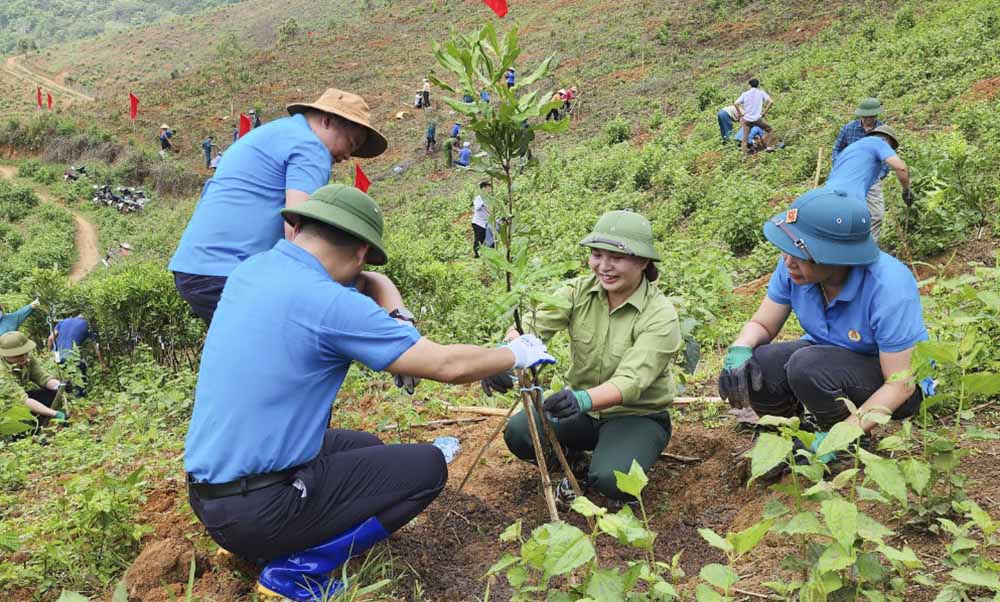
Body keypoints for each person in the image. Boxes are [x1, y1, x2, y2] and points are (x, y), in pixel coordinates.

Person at [183, 184, 555, 601]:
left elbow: (370, 282)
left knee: (364, 447)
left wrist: (393, 313)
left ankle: (254, 544)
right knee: (426, 468)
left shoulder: (254, 271)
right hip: (258, 510)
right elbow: (446, 366)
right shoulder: (329, 304)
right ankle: (293, 570)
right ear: (361, 251)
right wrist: (515, 353)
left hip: (208, 497)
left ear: (298, 227)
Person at [719, 190, 930, 466]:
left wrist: (840, 436)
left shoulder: (888, 286)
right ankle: (791, 437)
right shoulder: (793, 268)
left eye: (801, 254)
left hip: (895, 383)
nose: (788, 261)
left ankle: (845, 445)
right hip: (832, 359)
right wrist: (739, 348)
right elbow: (762, 324)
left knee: (807, 365)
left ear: (839, 257)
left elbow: (901, 384)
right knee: (760, 362)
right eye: (788, 249)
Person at [492, 210, 681, 504]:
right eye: (596, 255)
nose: (604, 266)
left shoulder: (660, 315)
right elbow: (532, 326)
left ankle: (616, 460)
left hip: (635, 416)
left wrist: (582, 399)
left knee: (612, 478)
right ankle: (574, 463)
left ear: (643, 261)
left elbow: (631, 381)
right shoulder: (578, 291)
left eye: (616, 257)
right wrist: (503, 357)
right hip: (580, 415)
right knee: (521, 433)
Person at [168, 88, 388, 325]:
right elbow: (301, 230)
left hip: (196, 266)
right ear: (327, 121)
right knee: (297, 340)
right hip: (228, 270)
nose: (347, 156)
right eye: (350, 144)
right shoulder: (310, 147)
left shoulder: (276, 133)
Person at [824, 125, 912, 242]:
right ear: (887, 140)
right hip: (850, 200)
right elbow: (901, 168)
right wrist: (906, 191)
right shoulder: (879, 143)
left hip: (825, 196)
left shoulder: (851, 149)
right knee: (869, 221)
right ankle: (867, 253)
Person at [831, 99, 890, 240]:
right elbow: (837, 149)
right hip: (849, 177)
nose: (868, 119)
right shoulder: (848, 129)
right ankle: (848, 244)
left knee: (877, 215)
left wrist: (880, 175)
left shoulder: (883, 132)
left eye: (872, 116)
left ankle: (871, 245)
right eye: (866, 116)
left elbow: (887, 157)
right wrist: (839, 168)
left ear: (876, 115)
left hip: (871, 178)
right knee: (847, 213)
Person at [0, 331, 66, 424]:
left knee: (51, 394)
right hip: (6, 404)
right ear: (5, 355)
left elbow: (42, 377)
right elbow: (22, 400)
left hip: (19, 398)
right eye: (17, 355)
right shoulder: (2, 372)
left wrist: (58, 386)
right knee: (19, 418)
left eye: (25, 353)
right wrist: (54, 413)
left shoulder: (27, 358)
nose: (23, 357)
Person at [47, 315, 103, 396]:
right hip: (70, 356)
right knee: (81, 367)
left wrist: (50, 353)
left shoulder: (63, 321)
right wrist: (102, 363)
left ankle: (65, 395)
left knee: (62, 375)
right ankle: (80, 395)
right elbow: (96, 346)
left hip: (57, 356)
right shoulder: (87, 324)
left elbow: (50, 338)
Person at [734, 79, 774, 155]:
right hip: (757, 119)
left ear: (750, 85)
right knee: (770, 130)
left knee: (745, 138)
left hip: (747, 120)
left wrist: (741, 114)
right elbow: (771, 102)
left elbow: (736, 103)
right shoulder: (761, 93)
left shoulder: (745, 94)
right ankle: (769, 147)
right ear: (757, 85)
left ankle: (743, 155)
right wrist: (764, 112)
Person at [471, 181, 494, 257]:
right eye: (488, 188)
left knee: (489, 238)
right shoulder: (478, 198)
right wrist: (484, 203)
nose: (490, 190)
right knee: (479, 239)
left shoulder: (489, 198)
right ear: (483, 188)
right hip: (478, 223)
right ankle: (476, 254)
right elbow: (477, 207)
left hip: (486, 223)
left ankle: (491, 254)